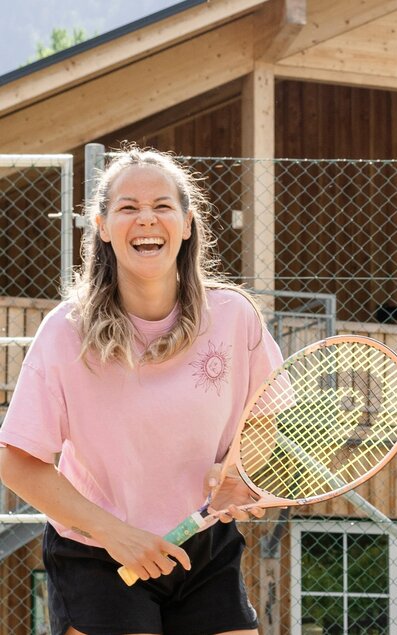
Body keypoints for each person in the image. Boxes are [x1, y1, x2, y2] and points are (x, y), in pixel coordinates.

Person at [0, 145, 284, 635]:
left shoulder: (235, 317)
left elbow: (263, 422)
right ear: (103, 227)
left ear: (187, 223)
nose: (146, 219)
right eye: (128, 207)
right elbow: (17, 461)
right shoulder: (65, 330)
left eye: (162, 206)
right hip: (97, 554)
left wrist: (240, 471)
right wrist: (115, 535)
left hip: (204, 548)